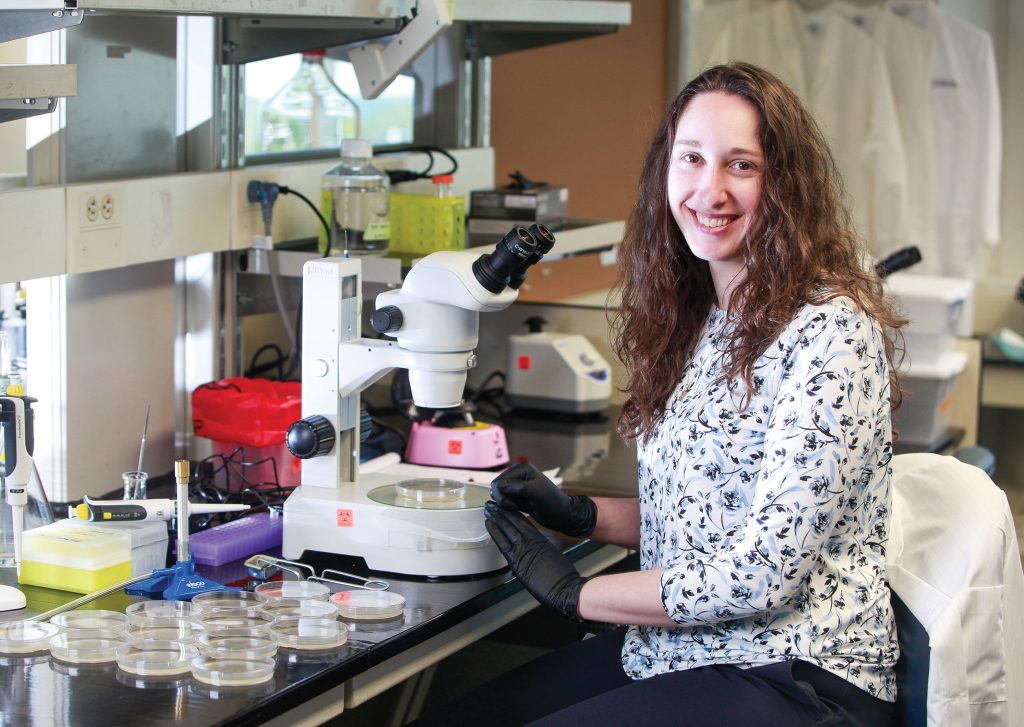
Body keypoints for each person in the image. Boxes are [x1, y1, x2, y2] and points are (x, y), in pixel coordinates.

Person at [415, 62, 906, 726]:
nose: (711, 190)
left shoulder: (830, 331)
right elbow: (709, 518)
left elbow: (761, 569)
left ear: (785, 186)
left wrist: (577, 593)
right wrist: (583, 515)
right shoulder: (706, 313)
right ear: (664, 174)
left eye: (741, 166)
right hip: (685, 649)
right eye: (692, 160)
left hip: (799, 673)